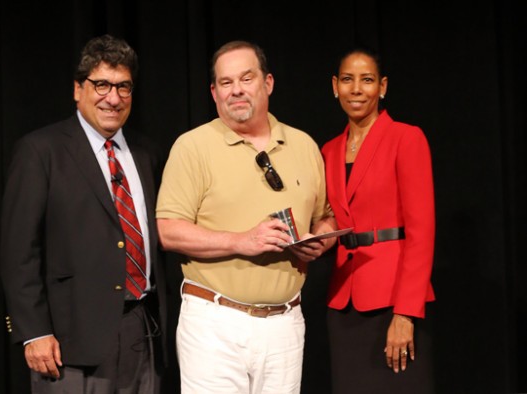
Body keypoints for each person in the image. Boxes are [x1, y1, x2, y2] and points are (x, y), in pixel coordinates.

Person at [155, 40, 336, 394]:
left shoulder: (303, 146)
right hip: (215, 322)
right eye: (226, 82)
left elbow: (324, 217)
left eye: (246, 78)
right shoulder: (193, 147)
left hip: (285, 323)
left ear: (267, 83)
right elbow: (169, 232)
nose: (236, 89)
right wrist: (241, 241)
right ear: (214, 92)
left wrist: (321, 241)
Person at [0, 34, 167, 394]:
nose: (114, 97)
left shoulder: (146, 153)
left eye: (124, 87)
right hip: (68, 342)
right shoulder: (40, 151)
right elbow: (18, 252)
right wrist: (34, 332)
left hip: (143, 331)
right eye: (102, 84)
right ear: (78, 89)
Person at [321, 47, 436, 393]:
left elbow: (422, 231)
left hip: (394, 301)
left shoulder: (406, 137)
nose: (356, 89)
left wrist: (406, 313)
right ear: (334, 86)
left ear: (382, 87)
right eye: (347, 79)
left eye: (367, 80)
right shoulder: (328, 150)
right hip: (344, 303)